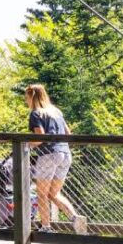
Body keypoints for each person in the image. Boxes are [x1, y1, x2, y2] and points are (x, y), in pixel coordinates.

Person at [24, 82, 85, 233]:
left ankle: (46, 227)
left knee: (42, 193)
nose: (26, 101)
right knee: (53, 193)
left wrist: (26, 145)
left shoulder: (36, 113)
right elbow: (68, 133)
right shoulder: (56, 112)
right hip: (65, 154)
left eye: (26, 97)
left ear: (32, 96)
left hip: (48, 155)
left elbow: (40, 136)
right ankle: (75, 218)